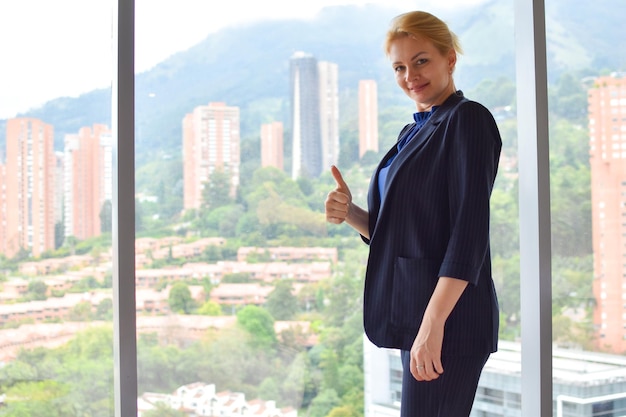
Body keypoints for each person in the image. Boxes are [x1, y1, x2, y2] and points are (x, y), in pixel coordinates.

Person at [325, 10, 502, 417]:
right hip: (418, 316)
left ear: (449, 59)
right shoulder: (415, 130)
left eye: (421, 60)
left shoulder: (467, 119)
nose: (410, 75)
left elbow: (468, 234)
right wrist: (349, 211)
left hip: (447, 322)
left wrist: (433, 323)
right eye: (400, 67)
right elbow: (403, 232)